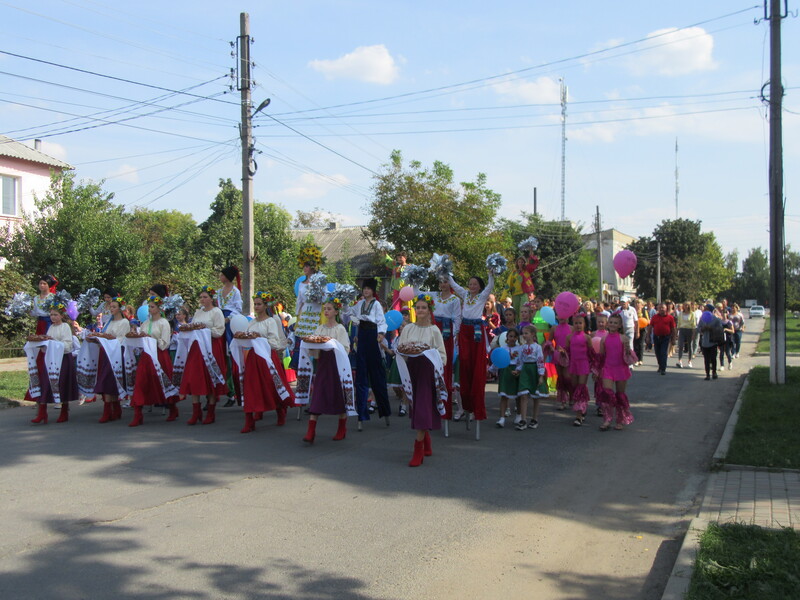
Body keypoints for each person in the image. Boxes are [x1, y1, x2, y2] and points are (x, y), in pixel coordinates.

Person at [395, 294, 447, 467]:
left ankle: (417, 449)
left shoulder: (434, 330)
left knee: (423, 407)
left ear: (429, 310)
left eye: (424, 307)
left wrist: (431, 358)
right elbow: (401, 348)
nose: (420, 310)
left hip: (427, 372)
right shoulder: (408, 328)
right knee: (417, 407)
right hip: (411, 371)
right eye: (418, 307)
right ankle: (427, 440)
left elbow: (442, 356)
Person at [237, 292, 295, 433]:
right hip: (253, 358)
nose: (256, 307)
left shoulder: (270, 321)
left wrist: (259, 338)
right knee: (250, 387)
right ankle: (249, 420)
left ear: (265, 305)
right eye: (255, 304)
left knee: (271, 385)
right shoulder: (252, 322)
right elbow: (248, 338)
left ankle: (280, 410)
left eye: (259, 304)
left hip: (267, 358)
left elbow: (274, 342)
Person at [298, 298, 355, 443]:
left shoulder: (340, 329)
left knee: (338, 395)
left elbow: (346, 348)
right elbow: (314, 342)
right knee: (318, 394)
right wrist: (311, 345)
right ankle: (311, 431)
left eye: (329, 309)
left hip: (336, 365)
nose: (326, 311)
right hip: (323, 364)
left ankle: (342, 427)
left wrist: (332, 345)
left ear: (336, 311)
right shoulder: (321, 328)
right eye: (325, 309)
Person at [175, 286, 228, 425]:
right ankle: (196, 411)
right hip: (197, 347)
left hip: (211, 347)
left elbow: (219, 332)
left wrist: (204, 330)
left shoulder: (217, 312)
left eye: (205, 297)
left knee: (209, 378)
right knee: (194, 377)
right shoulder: (198, 312)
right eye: (201, 297)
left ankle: (211, 411)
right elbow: (193, 326)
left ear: (211, 298)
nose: (203, 299)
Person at [447, 268, 495, 423]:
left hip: (476, 329)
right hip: (465, 329)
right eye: (470, 283)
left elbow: (490, 286)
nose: (472, 286)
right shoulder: (466, 294)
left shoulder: (482, 296)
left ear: (479, 286)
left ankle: (476, 408)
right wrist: (447, 273)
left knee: (476, 364)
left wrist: (490, 274)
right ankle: (466, 405)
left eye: (475, 284)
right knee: (465, 362)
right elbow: (454, 285)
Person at [128, 295, 179, 427]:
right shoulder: (145, 323)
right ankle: (138, 414)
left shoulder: (164, 323)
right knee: (140, 382)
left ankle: (172, 408)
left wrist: (151, 339)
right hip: (146, 357)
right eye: (149, 307)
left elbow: (165, 343)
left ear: (159, 308)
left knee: (164, 382)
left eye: (152, 307)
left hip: (160, 356)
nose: (149, 309)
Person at [346, 278, 391, 424]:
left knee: (376, 373)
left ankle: (383, 409)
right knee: (361, 373)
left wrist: (381, 333)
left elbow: (381, 321)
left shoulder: (376, 304)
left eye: (368, 289)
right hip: (362, 334)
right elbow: (349, 313)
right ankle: (362, 412)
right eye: (364, 288)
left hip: (372, 335)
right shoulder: (359, 304)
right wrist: (343, 301)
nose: (366, 291)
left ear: (373, 291)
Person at [26, 303, 79, 424]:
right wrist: (43, 342)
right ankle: (42, 413)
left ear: (61, 316)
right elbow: (48, 343)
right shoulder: (51, 327)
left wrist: (52, 343)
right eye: (51, 315)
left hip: (63, 359)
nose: (53, 317)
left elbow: (67, 345)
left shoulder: (65, 326)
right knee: (45, 382)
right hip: (50, 359)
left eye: (55, 315)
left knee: (62, 383)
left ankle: (64, 411)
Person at [598, 313, 635, 431]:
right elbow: (601, 356)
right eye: (611, 322)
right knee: (607, 393)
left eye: (615, 323)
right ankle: (607, 419)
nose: (613, 325)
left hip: (621, 369)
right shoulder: (603, 339)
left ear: (619, 325)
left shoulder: (624, 338)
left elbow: (628, 356)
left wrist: (628, 350)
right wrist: (597, 371)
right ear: (608, 324)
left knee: (620, 395)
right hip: (608, 369)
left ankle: (620, 420)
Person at [433, 278, 461, 420]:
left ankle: (445, 407)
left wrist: (454, 336)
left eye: (446, 281)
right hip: (434, 329)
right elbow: (416, 292)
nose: (443, 284)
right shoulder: (434, 296)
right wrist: (415, 279)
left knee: (445, 365)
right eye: (441, 282)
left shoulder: (454, 299)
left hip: (446, 332)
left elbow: (457, 319)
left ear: (450, 283)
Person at [514, 324, 546, 431]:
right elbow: (520, 360)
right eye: (523, 333)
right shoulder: (522, 348)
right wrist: (518, 370)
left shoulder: (538, 347)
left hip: (534, 370)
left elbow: (540, 361)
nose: (524, 335)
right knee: (523, 394)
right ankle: (523, 419)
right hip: (525, 371)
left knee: (535, 395)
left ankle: (534, 418)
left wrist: (541, 375)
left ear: (532, 334)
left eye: (526, 333)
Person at [565, 313, 593, 427]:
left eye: (580, 323)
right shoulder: (569, 337)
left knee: (581, 387)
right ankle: (582, 405)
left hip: (584, 364)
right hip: (573, 364)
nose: (578, 325)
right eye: (576, 323)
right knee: (575, 387)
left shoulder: (587, 337)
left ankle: (579, 415)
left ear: (584, 324)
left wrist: (595, 368)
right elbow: (567, 353)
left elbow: (591, 353)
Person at [495, 328, 522, 428]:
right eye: (510, 336)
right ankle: (502, 418)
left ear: (517, 338)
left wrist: (518, 370)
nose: (512, 338)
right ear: (507, 337)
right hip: (505, 371)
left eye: (515, 336)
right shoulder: (503, 349)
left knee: (518, 396)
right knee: (504, 396)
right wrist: (490, 370)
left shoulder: (520, 349)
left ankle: (519, 416)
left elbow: (521, 361)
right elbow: (497, 361)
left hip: (515, 371)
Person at [503, 254, 539, 319]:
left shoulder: (527, 271)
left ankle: (524, 324)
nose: (520, 263)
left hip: (524, 293)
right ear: (517, 263)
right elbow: (508, 285)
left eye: (522, 262)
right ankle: (517, 326)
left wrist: (531, 252)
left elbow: (533, 264)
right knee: (516, 311)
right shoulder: (513, 273)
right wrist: (503, 297)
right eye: (519, 262)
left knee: (524, 309)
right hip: (515, 294)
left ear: (524, 263)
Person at [551, 314, 573, 410]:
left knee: (568, 378)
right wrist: (552, 349)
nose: (562, 317)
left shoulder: (572, 328)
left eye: (564, 314)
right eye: (560, 314)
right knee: (561, 379)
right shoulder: (554, 328)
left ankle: (572, 396)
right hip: (558, 355)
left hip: (569, 355)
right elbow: (549, 341)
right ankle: (563, 400)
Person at [697, 304, 723, 381]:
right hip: (705, 342)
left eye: (707, 309)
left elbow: (720, 329)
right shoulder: (702, 319)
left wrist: (711, 328)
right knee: (706, 359)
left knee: (713, 358)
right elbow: (698, 329)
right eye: (705, 309)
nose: (705, 310)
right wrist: (703, 329)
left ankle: (714, 372)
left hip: (713, 341)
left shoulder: (716, 319)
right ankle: (707, 374)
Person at [650, 303, 676, 375]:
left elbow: (673, 328)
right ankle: (660, 365)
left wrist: (673, 338)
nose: (661, 309)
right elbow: (650, 327)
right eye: (660, 308)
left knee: (663, 353)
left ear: (666, 309)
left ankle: (663, 368)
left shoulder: (670, 317)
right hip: (656, 337)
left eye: (663, 308)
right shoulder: (654, 317)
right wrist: (648, 336)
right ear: (658, 309)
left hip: (665, 337)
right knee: (657, 353)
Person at [675, 302, 696, 368]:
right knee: (680, 345)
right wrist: (676, 332)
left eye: (687, 305)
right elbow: (679, 323)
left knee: (690, 346)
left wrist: (693, 334)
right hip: (682, 330)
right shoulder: (681, 313)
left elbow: (694, 324)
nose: (686, 306)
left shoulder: (692, 314)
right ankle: (680, 361)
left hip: (689, 330)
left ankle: (689, 361)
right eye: (685, 305)